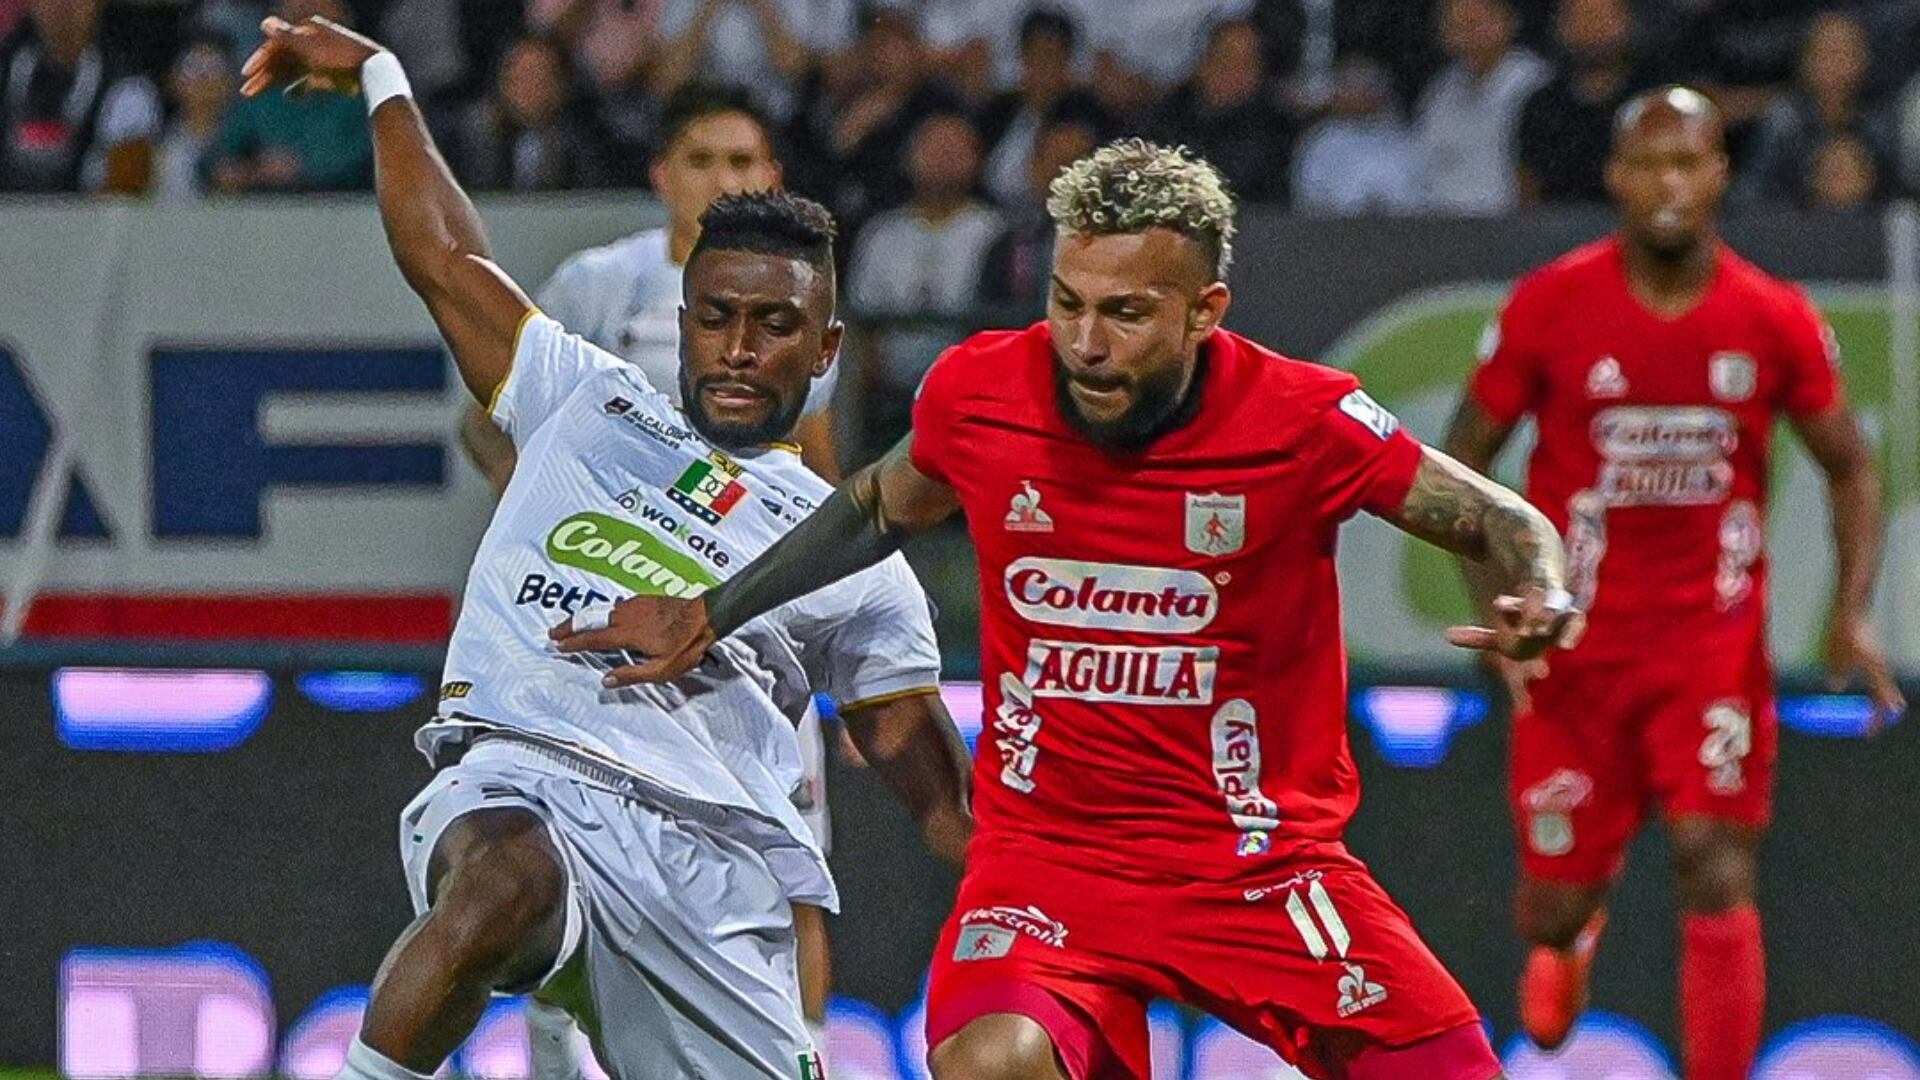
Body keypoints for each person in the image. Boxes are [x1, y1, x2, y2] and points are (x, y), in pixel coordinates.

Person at [551, 138, 1585, 1080]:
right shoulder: (983, 393)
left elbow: (1495, 515)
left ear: (1205, 311)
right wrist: (713, 609)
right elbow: (876, 499)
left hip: (1255, 861)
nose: (1085, 342)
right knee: (989, 1063)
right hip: (1052, 861)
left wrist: (1541, 584)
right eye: (1067, 301)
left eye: (1126, 312)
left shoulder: (1303, 419)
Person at [240, 16, 973, 1080]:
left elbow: (942, 806)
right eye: (716, 315)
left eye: (774, 324)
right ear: (680, 320)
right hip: (522, 778)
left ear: (826, 348)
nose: (737, 346)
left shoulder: (851, 553)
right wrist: (384, 75)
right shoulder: (586, 396)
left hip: (710, 885)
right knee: (500, 884)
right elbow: (443, 256)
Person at [1443, 86, 1903, 1080]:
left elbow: (1851, 465)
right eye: (1648, 164)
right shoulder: (1551, 305)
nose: (1667, 185)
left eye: (1687, 164)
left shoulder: (1771, 317)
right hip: (1574, 646)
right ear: (1615, 176)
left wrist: (1852, 612)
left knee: (1715, 863)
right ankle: (1569, 938)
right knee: (1553, 902)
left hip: (1709, 645)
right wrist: (1501, 615)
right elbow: (1462, 465)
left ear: (1718, 177)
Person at [1410, 0, 1550, 215]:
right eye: (1456, 24)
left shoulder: (1534, 84)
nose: (1466, 34)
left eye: (1475, 22)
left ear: (1507, 22)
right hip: (1440, 226)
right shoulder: (1441, 90)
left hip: (1506, 225)